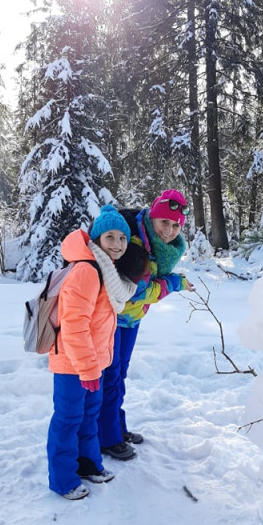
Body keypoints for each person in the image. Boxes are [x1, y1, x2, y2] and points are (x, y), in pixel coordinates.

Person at [46, 205, 137, 500]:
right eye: (110, 236)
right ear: (97, 239)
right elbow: (74, 325)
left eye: (122, 238)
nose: (118, 244)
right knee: (68, 418)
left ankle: (87, 464)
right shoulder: (86, 271)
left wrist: (97, 364)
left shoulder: (104, 270)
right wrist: (87, 368)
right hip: (72, 364)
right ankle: (62, 479)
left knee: (88, 416)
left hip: (92, 363)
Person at [97, 189, 195, 460]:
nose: (170, 230)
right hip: (112, 318)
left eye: (176, 225)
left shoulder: (157, 246)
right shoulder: (136, 245)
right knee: (111, 376)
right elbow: (138, 291)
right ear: (153, 216)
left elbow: (150, 282)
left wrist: (172, 281)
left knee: (120, 374)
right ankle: (108, 438)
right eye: (165, 222)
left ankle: (116, 427)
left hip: (131, 318)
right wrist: (175, 284)